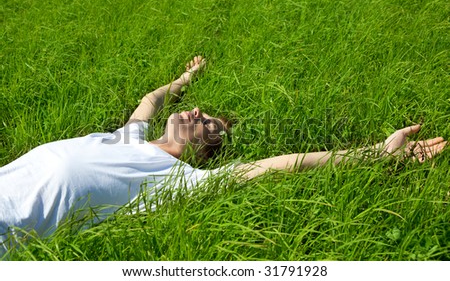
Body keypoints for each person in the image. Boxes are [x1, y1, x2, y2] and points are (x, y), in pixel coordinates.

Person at [0, 56, 447, 256]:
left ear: (204, 149)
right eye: (197, 109)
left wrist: (374, 154)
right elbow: (149, 101)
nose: (195, 112)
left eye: (206, 122)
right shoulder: (126, 138)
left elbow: (271, 165)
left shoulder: (178, 180)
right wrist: (183, 79)